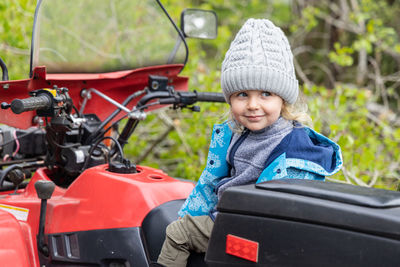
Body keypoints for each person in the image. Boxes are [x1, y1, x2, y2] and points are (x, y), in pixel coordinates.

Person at [156, 18, 343, 267]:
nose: (253, 105)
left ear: (283, 100)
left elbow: (290, 210)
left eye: (265, 94)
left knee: (177, 233)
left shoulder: (295, 149)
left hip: (249, 229)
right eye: (242, 94)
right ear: (230, 99)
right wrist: (195, 212)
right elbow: (213, 183)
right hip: (233, 217)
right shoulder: (236, 134)